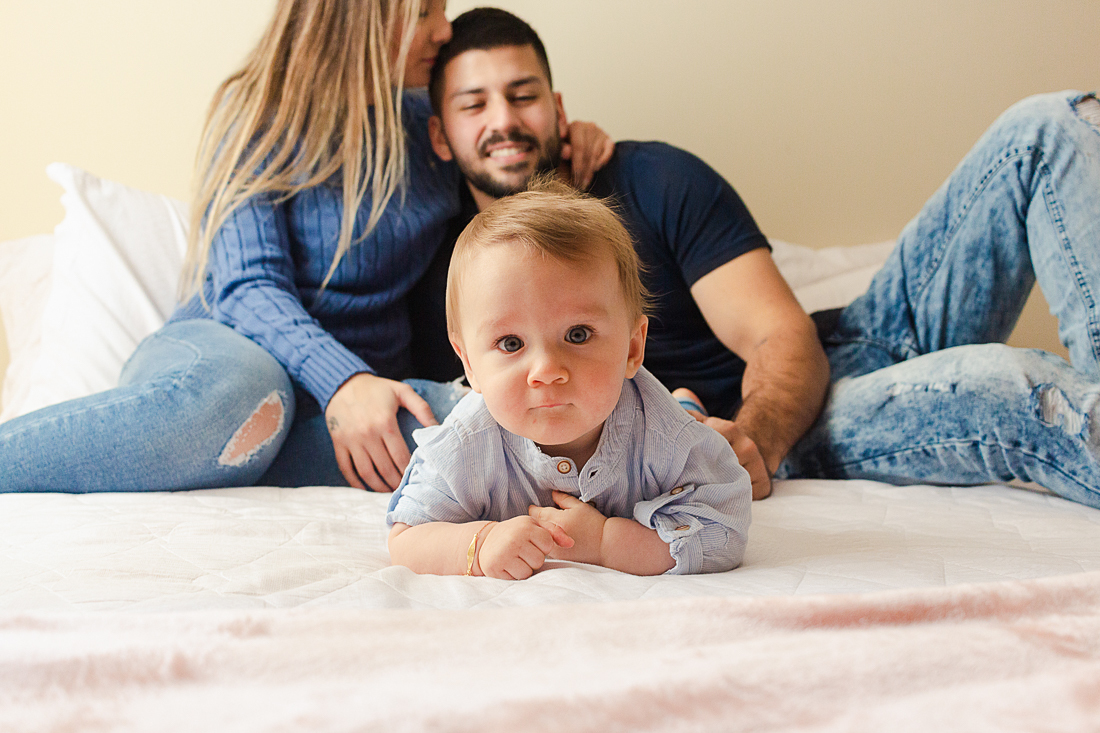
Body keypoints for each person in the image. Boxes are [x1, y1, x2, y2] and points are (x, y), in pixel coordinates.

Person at [415, 7, 1100, 509]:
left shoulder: (655, 179)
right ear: (441, 137)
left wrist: (753, 441)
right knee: (1019, 388)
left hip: (820, 372)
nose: (503, 119)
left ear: (558, 108)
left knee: (1048, 126)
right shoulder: (450, 272)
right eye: (474, 104)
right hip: (809, 423)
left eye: (523, 94)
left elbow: (782, 333)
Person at [0, 0, 612, 494]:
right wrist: (343, 381)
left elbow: (496, 150)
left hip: (351, 400)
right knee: (241, 402)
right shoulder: (264, 112)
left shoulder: (429, 122)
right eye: (424, 10)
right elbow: (245, 287)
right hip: (228, 352)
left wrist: (567, 136)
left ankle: (241, 449)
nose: (442, 28)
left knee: (489, 421)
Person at [387, 180, 751, 579]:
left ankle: (685, 405)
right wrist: (480, 544)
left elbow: (725, 528)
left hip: (657, 414)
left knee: (684, 422)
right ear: (470, 364)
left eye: (577, 334)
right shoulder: (466, 443)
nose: (545, 370)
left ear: (632, 349)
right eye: (510, 343)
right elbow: (407, 538)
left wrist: (607, 543)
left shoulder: (669, 440)